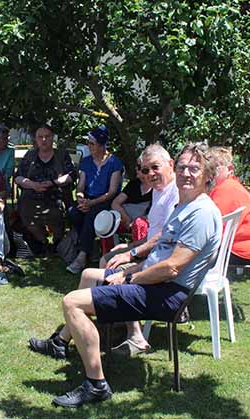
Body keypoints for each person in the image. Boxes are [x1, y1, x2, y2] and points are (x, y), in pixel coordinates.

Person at [28, 142, 222, 408]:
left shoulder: (201, 213)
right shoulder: (185, 206)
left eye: (194, 168)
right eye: (182, 167)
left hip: (165, 294)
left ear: (208, 176)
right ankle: (65, 345)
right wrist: (131, 266)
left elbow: (171, 267)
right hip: (156, 285)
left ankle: (96, 385)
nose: (186, 173)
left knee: (72, 302)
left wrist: (129, 278)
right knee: (87, 282)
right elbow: (160, 254)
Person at [97, 143, 180, 355]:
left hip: (160, 259)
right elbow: (154, 232)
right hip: (150, 250)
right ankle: (116, 320)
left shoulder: (175, 193)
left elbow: (165, 236)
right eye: (145, 170)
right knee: (107, 258)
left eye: (155, 167)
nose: (150, 174)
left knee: (111, 264)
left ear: (170, 165)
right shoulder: (158, 191)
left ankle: (134, 333)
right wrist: (132, 245)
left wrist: (132, 252)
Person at [66, 126, 124, 274]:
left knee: (92, 215)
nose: (88, 146)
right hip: (88, 199)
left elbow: (111, 192)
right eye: (88, 143)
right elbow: (80, 186)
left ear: (101, 145)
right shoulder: (86, 161)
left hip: (105, 201)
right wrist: (80, 198)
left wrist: (91, 203)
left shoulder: (114, 163)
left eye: (92, 143)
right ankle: (91, 249)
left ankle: (81, 256)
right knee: (74, 212)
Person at [15, 125, 76, 255]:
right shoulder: (30, 155)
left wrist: (54, 183)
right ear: (36, 139)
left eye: (47, 136)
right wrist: (32, 184)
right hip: (32, 195)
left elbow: (72, 175)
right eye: (40, 137)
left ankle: (57, 241)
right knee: (25, 211)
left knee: (56, 213)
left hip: (56, 194)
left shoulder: (61, 155)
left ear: (52, 138)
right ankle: (42, 242)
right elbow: (18, 177)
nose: (44, 140)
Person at [209, 147, 250, 266]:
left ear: (230, 169)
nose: (210, 172)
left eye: (215, 168)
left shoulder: (226, 189)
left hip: (237, 251)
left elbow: (215, 228)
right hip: (241, 248)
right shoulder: (229, 185)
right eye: (208, 168)